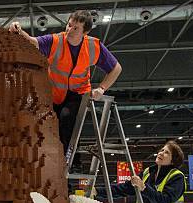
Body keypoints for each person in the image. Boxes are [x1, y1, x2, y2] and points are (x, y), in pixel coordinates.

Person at [9, 10, 122, 157]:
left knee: (67, 117)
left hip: (78, 93)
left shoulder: (94, 46)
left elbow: (116, 68)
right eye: (69, 25)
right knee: (45, 124)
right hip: (54, 93)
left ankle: (67, 160)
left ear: (85, 32)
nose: (70, 30)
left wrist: (102, 88)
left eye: (76, 28)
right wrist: (20, 31)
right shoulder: (55, 41)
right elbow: (33, 42)